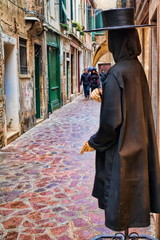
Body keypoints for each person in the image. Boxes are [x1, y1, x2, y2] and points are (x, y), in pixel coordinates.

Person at [81, 7, 160, 232]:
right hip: (139, 145)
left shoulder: (116, 72)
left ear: (117, 40)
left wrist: (92, 142)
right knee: (132, 195)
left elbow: (110, 124)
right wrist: (106, 96)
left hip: (121, 150)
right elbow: (129, 103)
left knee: (119, 196)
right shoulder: (135, 68)